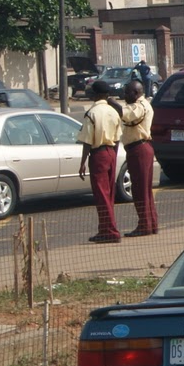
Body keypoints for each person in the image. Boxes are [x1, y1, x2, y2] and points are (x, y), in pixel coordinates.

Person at [77, 80, 123, 243]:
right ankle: (104, 228)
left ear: (96, 95)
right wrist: (113, 157)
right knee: (109, 192)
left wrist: (82, 162)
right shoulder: (113, 112)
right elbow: (117, 138)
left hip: (98, 154)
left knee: (101, 193)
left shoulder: (93, 113)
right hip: (111, 151)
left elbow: (87, 141)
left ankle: (110, 230)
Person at [113, 80, 157, 237]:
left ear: (136, 93)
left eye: (127, 92)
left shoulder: (141, 106)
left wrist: (112, 102)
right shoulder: (139, 104)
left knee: (140, 189)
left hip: (140, 148)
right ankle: (151, 223)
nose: (125, 96)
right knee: (144, 188)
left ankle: (144, 224)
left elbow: (128, 115)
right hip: (138, 148)